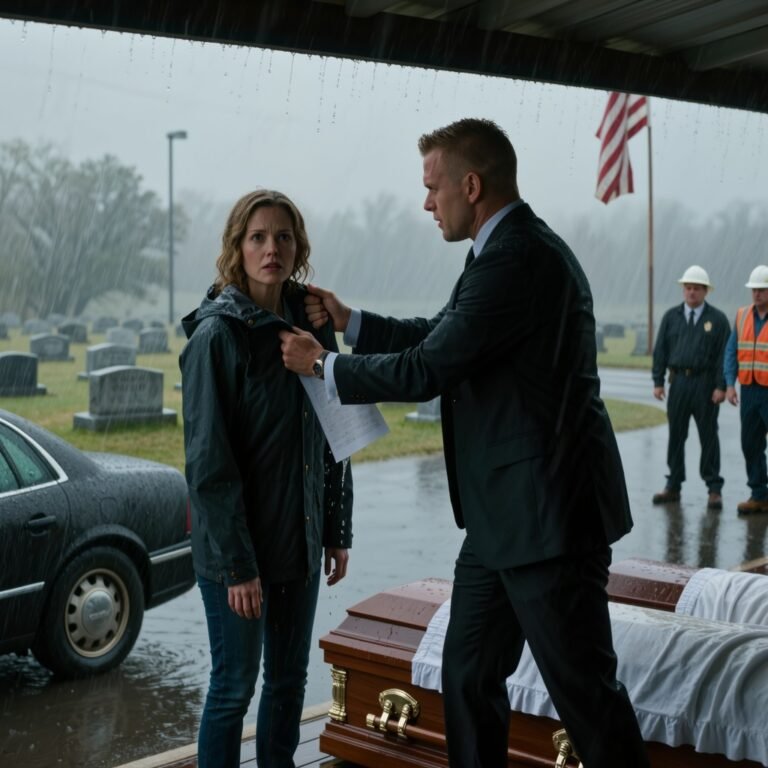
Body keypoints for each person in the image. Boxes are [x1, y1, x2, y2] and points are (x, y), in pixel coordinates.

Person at [279, 118, 648, 768]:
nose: (426, 203)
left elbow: (429, 368)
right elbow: (443, 334)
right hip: (501, 519)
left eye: (432, 187)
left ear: (470, 185)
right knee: (469, 676)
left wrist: (322, 364)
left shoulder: (520, 261)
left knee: (586, 699)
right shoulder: (496, 253)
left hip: (547, 520)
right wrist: (352, 322)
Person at [179, 189, 353, 768]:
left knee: (287, 683)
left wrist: (337, 527)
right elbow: (209, 467)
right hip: (240, 553)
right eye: (257, 237)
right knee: (234, 689)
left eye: (282, 236)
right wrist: (238, 566)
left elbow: (336, 434)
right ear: (237, 247)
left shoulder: (313, 327)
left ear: (298, 245)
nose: (271, 248)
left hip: (298, 541)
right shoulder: (216, 337)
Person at [650, 265, 729, 509]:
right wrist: (658, 381)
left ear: (705, 291)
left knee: (708, 437)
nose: (691, 292)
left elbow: (723, 356)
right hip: (679, 383)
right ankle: (673, 485)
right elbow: (660, 350)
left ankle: (713, 488)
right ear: (683, 290)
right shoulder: (671, 317)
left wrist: (721, 386)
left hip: (706, 386)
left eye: (696, 288)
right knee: (676, 435)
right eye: (688, 288)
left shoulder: (717, 320)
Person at [725, 264, 768, 514]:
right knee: (750, 443)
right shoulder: (742, 316)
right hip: (749, 391)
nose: (757, 294)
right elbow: (731, 352)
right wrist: (730, 384)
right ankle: (759, 494)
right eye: (754, 289)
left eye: (762, 289)